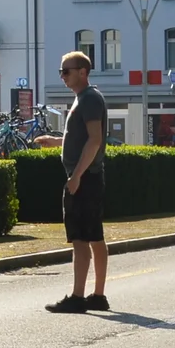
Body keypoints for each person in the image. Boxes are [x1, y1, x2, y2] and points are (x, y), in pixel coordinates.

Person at [48, 50, 109, 313]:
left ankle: (78, 297)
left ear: (82, 72)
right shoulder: (86, 98)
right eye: (61, 71)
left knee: (81, 239)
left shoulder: (89, 99)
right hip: (89, 178)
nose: (62, 75)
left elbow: (94, 140)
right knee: (94, 237)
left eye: (66, 71)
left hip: (85, 179)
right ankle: (97, 296)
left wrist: (76, 177)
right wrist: (58, 142)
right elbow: (85, 139)